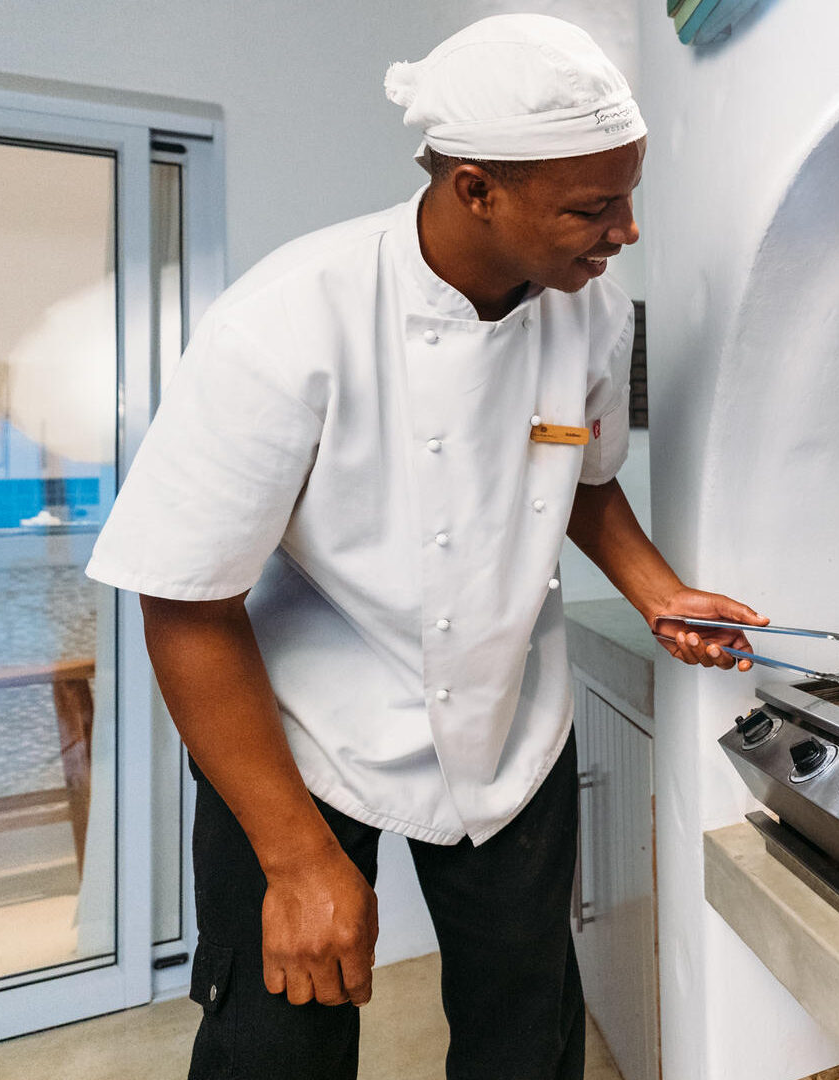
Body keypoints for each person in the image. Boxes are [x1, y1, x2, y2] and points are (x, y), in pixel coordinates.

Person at [85, 15, 763, 1080]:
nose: (626, 231)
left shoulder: (591, 312)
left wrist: (657, 592)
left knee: (525, 1034)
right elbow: (184, 604)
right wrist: (297, 861)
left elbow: (579, 474)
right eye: (593, 207)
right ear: (476, 188)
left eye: (629, 197)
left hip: (511, 721)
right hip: (306, 732)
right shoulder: (285, 321)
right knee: (278, 1047)